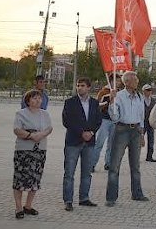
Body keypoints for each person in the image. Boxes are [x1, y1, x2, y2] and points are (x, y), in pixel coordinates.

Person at [105, 71, 148, 206]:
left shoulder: (139, 96)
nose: (137, 82)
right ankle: (111, 197)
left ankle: (137, 193)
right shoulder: (119, 96)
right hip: (122, 130)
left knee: (135, 165)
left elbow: (141, 116)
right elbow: (114, 117)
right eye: (135, 80)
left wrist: (142, 134)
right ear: (127, 82)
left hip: (135, 131)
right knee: (114, 165)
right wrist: (112, 101)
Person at [62, 77, 103, 211]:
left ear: (89, 87)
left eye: (83, 85)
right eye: (78, 85)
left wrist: (90, 132)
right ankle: (68, 200)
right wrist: (81, 133)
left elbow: (98, 120)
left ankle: (84, 198)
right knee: (69, 173)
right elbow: (67, 121)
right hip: (73, 141)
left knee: (86, 173)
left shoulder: (95, 103)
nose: (80, 88)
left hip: (89, 142)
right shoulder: (70, 102)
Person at [12, 90, 53, 219]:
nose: (38, 100)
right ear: (28, 100)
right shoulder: (21, 113)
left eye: (39, 98)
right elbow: (17, 129)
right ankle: (18, 207)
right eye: (34, 98)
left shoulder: (45, 114)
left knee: (35, 177)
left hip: (39, 150)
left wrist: (40, 135)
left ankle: (28, 206)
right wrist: (31, 135)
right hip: (23, 151)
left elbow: (49, 128)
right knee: (20, 179)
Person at [91, 75, 121, 172]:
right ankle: (92, 164)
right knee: (99, 142)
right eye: (117, 81)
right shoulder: (103, 92)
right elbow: (96, 106)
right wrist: (109, 99)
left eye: (119, 81)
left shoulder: (120, 92)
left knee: (111, 144)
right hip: (104, 120)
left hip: (115, 121)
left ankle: (108, 163)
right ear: (111, 81)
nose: (119, 83)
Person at [142, 84, 156, 162]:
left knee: (151, 140)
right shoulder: (140, 99)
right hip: (142, 122)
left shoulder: (153, 100)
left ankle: (149, 156)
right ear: (143, 91)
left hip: (151, 122)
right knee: (139, 139)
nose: (149, 92)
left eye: (150, 90)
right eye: (147, 90)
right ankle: (136, 156)